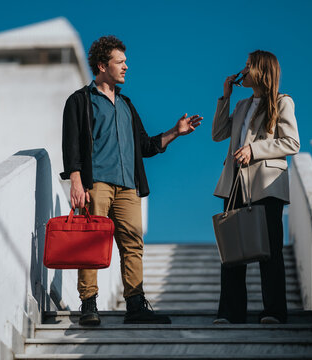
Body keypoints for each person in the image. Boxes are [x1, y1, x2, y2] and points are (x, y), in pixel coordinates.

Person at [61, 35, 202, 325]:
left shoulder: (126, 105)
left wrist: (176, 132)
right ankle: (89, 305)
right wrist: (76, 180)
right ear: (102, 65)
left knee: (133, 243)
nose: (126, 66)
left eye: (126, 61)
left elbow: (146, 146)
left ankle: (136, 306)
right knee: (90, 242)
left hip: (128, 186)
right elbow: (71, 144)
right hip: (96, 183)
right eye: (120, 62)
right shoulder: (80, 101)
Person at [211, 50, 300, 324]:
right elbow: (217, 134)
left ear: (261, 70)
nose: (244, 70)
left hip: (265, 186)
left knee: (269, 250)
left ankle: (273, 311)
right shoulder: (239, 105)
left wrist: (255, 148)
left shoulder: (282, 102)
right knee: (232, 251)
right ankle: (230, 313)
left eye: (248, 65)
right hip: (235, 185)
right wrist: (225, 97)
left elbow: (292, 142)